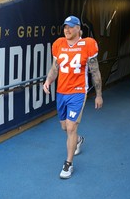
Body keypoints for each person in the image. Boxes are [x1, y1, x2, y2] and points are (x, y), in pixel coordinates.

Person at [43, 16, 103, 179]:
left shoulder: (88, 44)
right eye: (65, 27)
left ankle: (68, 164)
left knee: (71, 127)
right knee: (64, 127)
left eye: (70, 27)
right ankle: (78, 140)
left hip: (78, 92)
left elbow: (95, 71)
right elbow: (55, 68)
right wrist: (48, 80)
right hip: (61, 92)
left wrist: (98, 94)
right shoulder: (59, 44)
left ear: (78, 28)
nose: (67, 30)